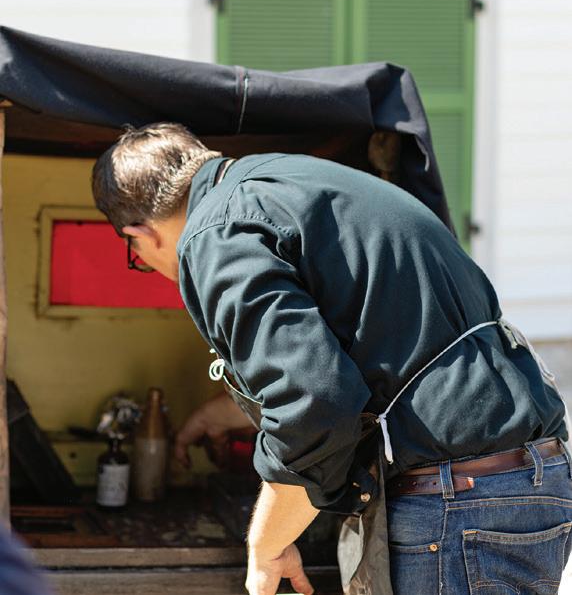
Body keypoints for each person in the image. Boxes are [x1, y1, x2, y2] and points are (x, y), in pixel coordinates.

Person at [92, 122, 572, 595]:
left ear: (138, 233)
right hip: (534, 477)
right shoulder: (294, 181)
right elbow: (369, 361)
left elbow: (315, 407)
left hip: (455, 504)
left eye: (136, 255)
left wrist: (267, 543)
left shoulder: (215, 232)